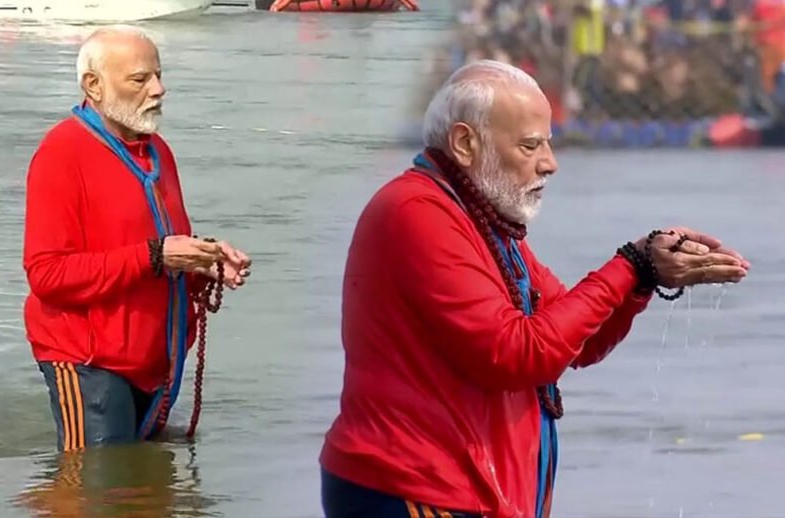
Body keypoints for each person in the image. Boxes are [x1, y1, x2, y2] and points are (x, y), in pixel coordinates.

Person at [318, 60, 750, 518]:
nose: (551, 163)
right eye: (530, 146)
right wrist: (630, 263)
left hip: (467, 491)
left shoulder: (481, 220)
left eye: (548, 143)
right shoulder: (417, 212)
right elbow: (519, 355)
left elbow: (577, 344)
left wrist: (642, 278)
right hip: (412, 490)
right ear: (466, 143)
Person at [23, 25, 251, 452]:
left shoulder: (158, 150)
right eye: (140, 79)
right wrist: (157, 255)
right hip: (87, 361)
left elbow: (163, 249)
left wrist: (205, 263)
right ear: (93, 85)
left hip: (155, 360)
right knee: (95, 492)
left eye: (159, 75)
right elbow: (47, 274)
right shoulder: (61, 153)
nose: (159, 89)